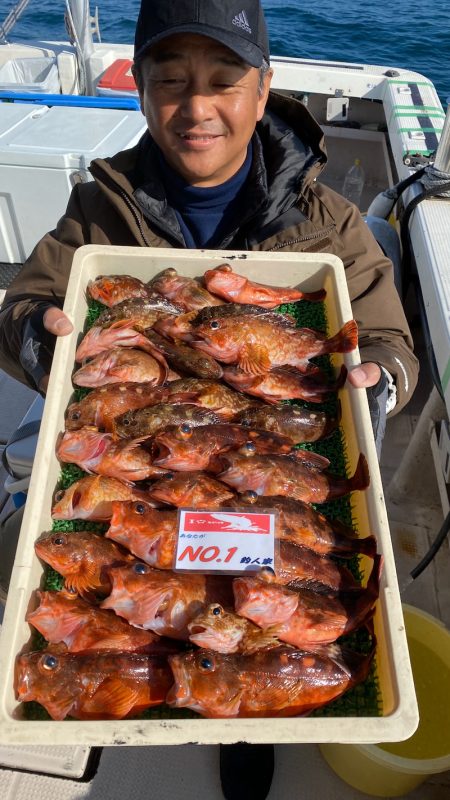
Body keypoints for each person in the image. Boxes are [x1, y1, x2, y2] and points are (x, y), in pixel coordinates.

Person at [0, 0, 418, 796]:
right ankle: (162, 678)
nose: (196, 106)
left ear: (263, 93)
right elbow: (27, 305)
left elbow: (391, 340)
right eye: (169, 80)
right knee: (136, 580)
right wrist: (40, 336)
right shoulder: (102, 205)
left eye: (224, 80)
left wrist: (379, 383)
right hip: (158, 465)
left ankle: (242, 718)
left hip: (274, 469)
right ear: (143, 93)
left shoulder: (326, 222)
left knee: (256, 602)